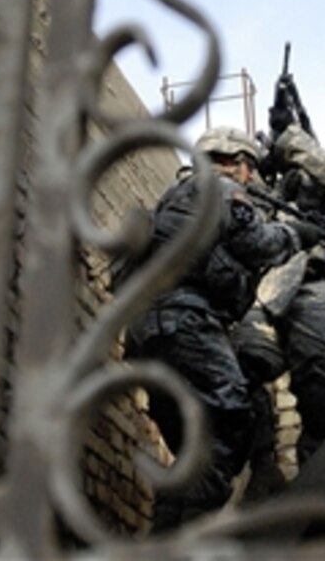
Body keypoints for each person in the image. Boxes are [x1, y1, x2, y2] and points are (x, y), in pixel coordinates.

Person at [123, 126, 301, 531]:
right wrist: (294, 235)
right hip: (185, 322)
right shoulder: (219, 189)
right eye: (249, 169)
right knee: (227, 425)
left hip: (147, 333)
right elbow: (257, 243)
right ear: (237, 164)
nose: (251, 178)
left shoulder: (176, 200)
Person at [233, 122, 325, 497]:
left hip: (323, 290)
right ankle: (263, 468)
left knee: (319, 389)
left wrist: (291, 137)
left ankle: (318, 479)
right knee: (242, 367)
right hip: (268, 290)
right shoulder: (268, 189)